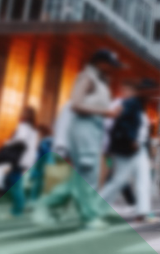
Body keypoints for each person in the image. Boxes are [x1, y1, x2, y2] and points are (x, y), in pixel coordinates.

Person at [35, 49, 122, 229]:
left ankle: (48, 206)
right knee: (87, 175)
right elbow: (75, 104)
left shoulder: (98, 80)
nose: (112, 69)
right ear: (100, 62)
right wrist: (106, 112)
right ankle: (87, 217)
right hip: (84, 131)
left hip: (91, 131)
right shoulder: (87, 77)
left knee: (82, 177)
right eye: (109, 65)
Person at [97, 80, 157, 222]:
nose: (152, 94)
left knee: (143, 179)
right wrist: (131, 140)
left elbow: (141, 129)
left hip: (138, 146)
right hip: (128, 146)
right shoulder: (124, 104)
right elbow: (117, 125)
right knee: (119, 179)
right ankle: (96, 207)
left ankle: (142, 212)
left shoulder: (138, 106)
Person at [3, 108, 40, 217]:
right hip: (26, 160)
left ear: (25, 116)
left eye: (22, 113)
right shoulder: (33, 130)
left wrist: (8, 143)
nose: (19, 115)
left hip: (19, 158)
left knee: (13, 183)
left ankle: (17, 210)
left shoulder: (23, 127)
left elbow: (20, 140)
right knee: (13, 181)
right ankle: (18, 207)